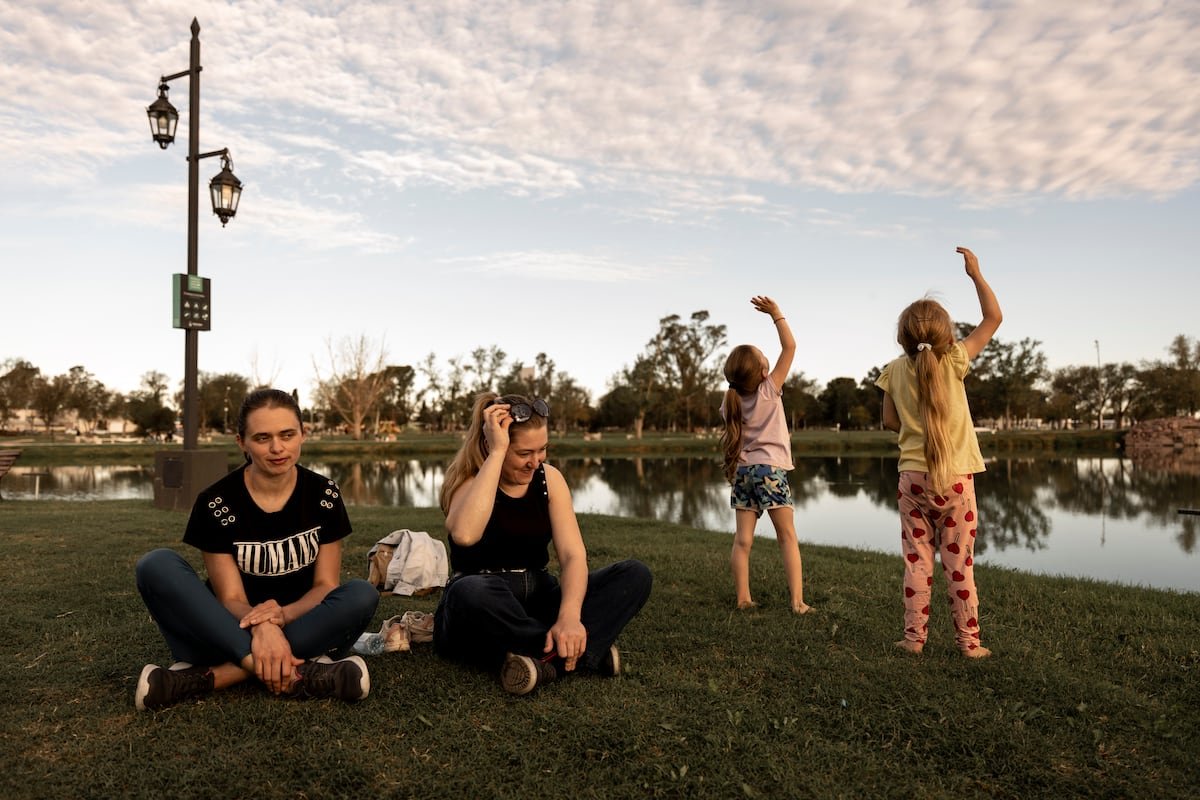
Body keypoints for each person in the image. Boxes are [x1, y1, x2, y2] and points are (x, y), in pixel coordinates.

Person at [133, 388, 379, 710]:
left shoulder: (325, 495)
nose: (277, 448)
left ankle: (208, 677)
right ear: (242, 442)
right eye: (262, 438)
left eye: (287, 435)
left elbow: (325, 585)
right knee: (156, 565)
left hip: (300, 625)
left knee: (361, 593)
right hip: (224, 631)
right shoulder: (215, 502)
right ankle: (297, 673)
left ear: (303, 434)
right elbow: (230, 598)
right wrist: (262, 626)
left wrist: (281, 617)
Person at [434, 392, 652, 695]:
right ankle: (580, 653)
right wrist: (496, 455)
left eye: (542, 449)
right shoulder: (469, 482)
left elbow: (573, 556)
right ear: (491, 443)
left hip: (538, 599)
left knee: (634, 575)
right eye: (524, 453)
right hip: (484, 607)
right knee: (469, 590)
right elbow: (465, 535)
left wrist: (569, 618)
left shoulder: (550, 479)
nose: (535, 462)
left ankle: (545, 656)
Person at [875, 247, 1002, 658]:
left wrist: (914, 427)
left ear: (903, 338)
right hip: (956, 479)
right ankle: (969, 644)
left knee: (917, 563)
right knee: (959, 565)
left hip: (912, 479)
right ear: (946, 334)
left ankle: (914, 640)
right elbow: (993, 318)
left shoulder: (893, 371)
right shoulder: (955, 359)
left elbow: (889, 421)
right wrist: (975, 274)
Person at [720, 296, 810, 614]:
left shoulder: (729, 402)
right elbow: (790, 347)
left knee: (742, 540)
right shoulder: (769, 390)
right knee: (787, 536)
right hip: (769, 471)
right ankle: (797, 602)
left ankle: (743, 599)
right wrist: (776, 314)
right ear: (762, 373)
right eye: (763, 357)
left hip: (744, 472)